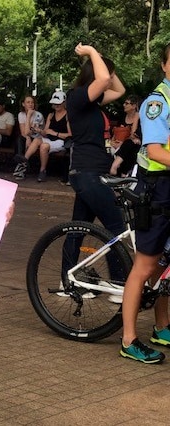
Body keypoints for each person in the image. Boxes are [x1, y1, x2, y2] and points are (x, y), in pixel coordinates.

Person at [60, 44, 126, 301]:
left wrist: (108, 66)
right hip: (87, 173)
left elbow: (119, 90)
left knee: (78, 228)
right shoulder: (76, 96)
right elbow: (103, 79)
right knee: (116, 226)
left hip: (91, 172)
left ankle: (67, 278)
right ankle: (119, 285)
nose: (109, 78)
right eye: (105, 74)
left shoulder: (94, 101)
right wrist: (91, 51)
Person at [119, 43, 170, 364]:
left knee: (165, 262)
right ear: (165, 66)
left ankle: (162, 327)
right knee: (146, 265)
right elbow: (154, 152)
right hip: (156, 189)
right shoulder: (157, 102)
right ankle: (128, 339)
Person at [12, 95, 45, 180]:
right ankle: (21, 161)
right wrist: (27, 138)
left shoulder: (38, 115)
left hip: (38, 138)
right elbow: (24, 132)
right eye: (28, 102)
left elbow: (32, 132)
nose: (31, 104)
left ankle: (21, 166)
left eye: (32, 102)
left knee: (24, 140)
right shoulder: (21, 114)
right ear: (23, 104)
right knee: (20, 139)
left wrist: (29, 115)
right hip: (27, 137)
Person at [110, 95, 142, 176]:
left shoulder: (139, 119)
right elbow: (115, 133)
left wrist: (136, 119)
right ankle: (122, 174)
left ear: (134, 106)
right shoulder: (122, 117)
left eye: (126, 103)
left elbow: (133, 135)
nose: (124, 105)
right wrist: (113, 141)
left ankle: (116, 168)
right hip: (118, 144)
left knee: (130, 144)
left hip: (128, 144)